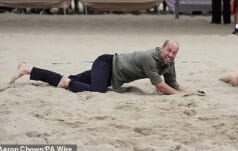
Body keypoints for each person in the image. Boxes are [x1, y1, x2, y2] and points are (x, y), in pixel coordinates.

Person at [9, 40, 185, 95]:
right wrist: (179, 96)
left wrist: (188, 92)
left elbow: (173, 84)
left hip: (112, 74)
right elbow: (160, 86)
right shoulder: (150, 57)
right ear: (162, 48)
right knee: (97, 91)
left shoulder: (169, 62)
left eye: (174, 52)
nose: (171, 54)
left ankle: (28, 69)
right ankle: (67, 83)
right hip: (106, 64)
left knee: (66, 79)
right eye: (169, 50)